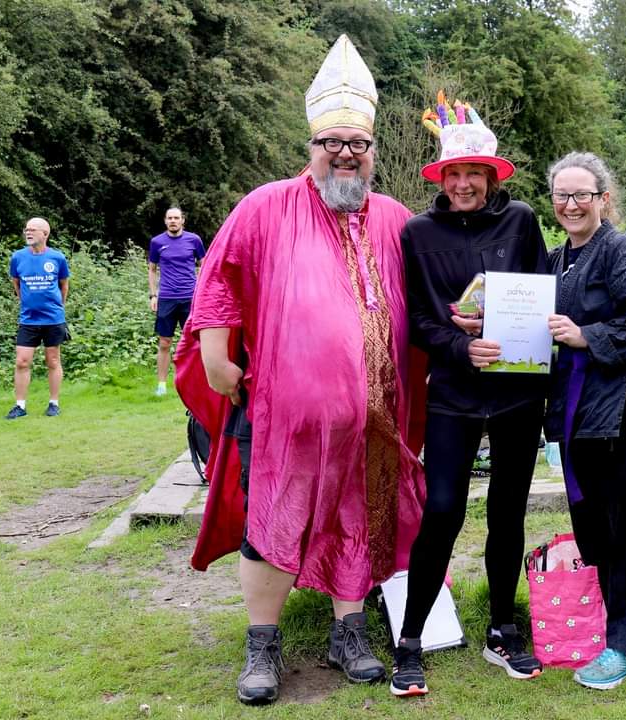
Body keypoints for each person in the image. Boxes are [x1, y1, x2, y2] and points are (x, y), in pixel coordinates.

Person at [174, 35, 424, 706]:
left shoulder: (396, 219)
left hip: (374, 416)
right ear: (311, 147)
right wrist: (219, 359)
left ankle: (350, 634)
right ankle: (263, 647)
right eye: (333, 142)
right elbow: (220, 285)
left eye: (358, 144)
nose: (346, 153)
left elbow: (432, 296)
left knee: (360, 518)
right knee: (272, 524)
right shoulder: (265, 207)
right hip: (284, 415)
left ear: (372, 152)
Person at [390, 102, 549, 697]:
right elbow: (418, 323)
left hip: (515, 394)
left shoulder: (523, 222)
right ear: (440, 177)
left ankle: (503, 628)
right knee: (443, 510)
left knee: (509, 510)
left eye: (474, 175)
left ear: (492, 178)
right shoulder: (416, 233)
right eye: (453, 174)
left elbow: (537, 296)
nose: (463, 184)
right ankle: (411, 640)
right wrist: (460, 350)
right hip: (454, 393)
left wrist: (520, 349)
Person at [543, 151, 626, 690]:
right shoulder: (560, 260)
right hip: (582, 413)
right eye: (562, 195)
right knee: (599, 529)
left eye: (582, 194)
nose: (571, 204)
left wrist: (586, 336)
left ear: (604, 199)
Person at [5, 218, 70, 419]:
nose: (28, 233)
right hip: (28, 319)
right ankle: (20, 406)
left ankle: (53, 403)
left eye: (33, 230)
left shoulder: (57, 258)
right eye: (26, 229)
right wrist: (26, 302)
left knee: (52, 360)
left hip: (53, 319)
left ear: (45, 234)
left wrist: (58, 306)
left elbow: (64, 285)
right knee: (22, 362)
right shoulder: (18, 257)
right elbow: (16, 283)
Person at [148, 207, 204, 396]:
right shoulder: (157, 242)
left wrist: (203, 293)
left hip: (190, 298)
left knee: (195, 342)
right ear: (165, 221)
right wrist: (153, 295)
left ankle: (197, 382)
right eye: (170, 218)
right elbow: (152, 269)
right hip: (166, 299)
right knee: (164, 342)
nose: (173, 221)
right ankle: (162, 385)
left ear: (182, 220)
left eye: (176, 218)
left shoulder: (194, 240)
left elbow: (204, 266)